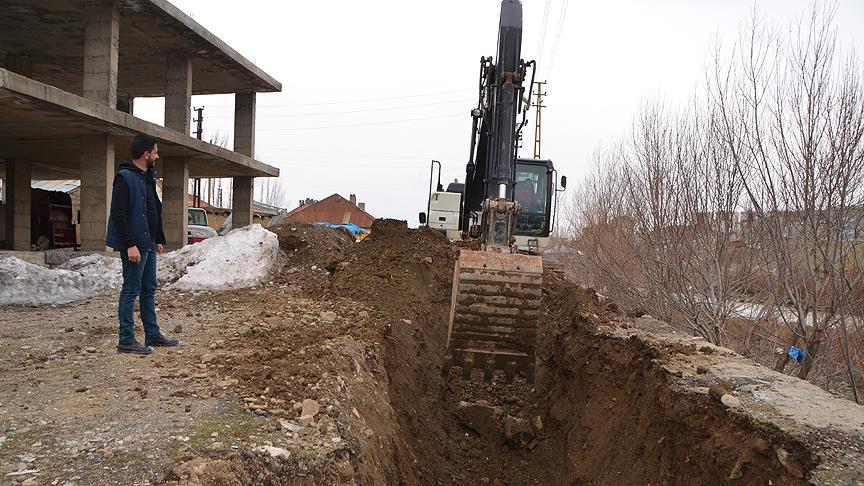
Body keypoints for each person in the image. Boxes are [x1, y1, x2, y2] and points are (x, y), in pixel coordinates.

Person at [106, 134, 179, 354]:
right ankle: (126, 340)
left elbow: (152, 210)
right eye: (155, 152)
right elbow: (118, 215)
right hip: (134, 245)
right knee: (131, 290)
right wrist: (129, 244)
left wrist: (158, 238)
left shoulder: (147, 177)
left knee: (148, 290)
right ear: (146, 154)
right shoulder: (125, 178)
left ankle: (153, 334)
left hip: (148, 242)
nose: (157, 155)